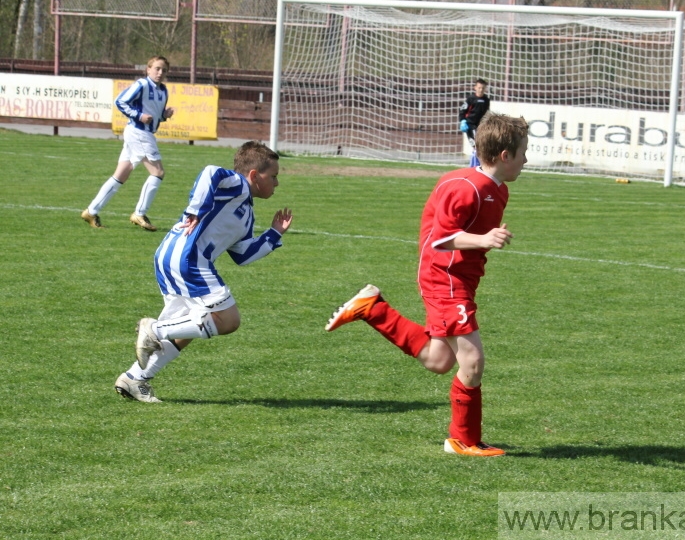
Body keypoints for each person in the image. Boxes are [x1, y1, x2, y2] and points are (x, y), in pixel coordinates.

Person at [325, 113, 528, 457]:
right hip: (443, 277)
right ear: (505, 155)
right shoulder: (467, 188)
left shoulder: (497, 189)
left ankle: (373, 309)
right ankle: (462, 440)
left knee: (439, 360)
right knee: (472, 360)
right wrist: (482, 239)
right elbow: (441, 241)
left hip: (459, 279)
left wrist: (481, 243)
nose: (527, 160)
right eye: (524, 152)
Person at [114, 141, 293, 402]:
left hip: (174, 257)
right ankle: (155, 329)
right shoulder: (235, 184)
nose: (276, 183)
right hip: (189, 259)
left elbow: (243, 256)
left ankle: (134, 379)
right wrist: (195, 211)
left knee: (189, 328)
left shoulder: (246, 214)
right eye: (273, 176)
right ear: (254, 176)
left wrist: (274, 234)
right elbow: (210, 171)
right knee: (228, 320)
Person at [81, 56, 175, 231]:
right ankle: (139, 213)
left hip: (142, 133)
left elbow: (155, 113)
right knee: (158, 172)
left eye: (164, 70)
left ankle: (91, 211)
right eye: (157, 68)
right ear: (148, 69)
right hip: (139, 132)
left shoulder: (163, 91)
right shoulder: (142, 85)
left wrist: (164, 115)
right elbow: (120, 101)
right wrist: (139, 116)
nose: (160, 73)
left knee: (121, 174)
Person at [458, 78, 491, 168]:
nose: (481, 90)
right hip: (470, 125)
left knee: (481, 146)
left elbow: (486, 113)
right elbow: (462, 110)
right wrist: (463, 121)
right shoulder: (470, 99)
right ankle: (473, 166)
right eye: (479, 87)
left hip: (480, 126)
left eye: (483, 88)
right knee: (476, 145)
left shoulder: (486, 100)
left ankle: (476, 166)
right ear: (475, 88)